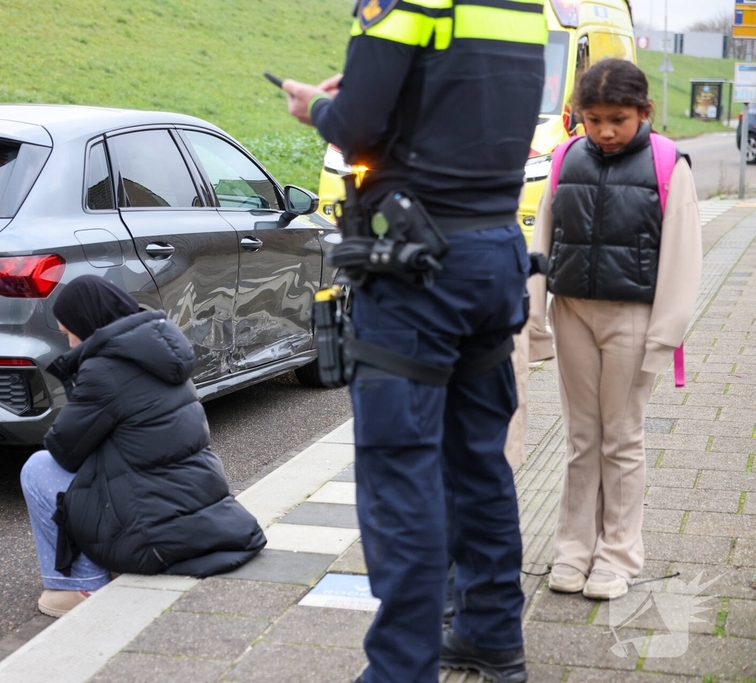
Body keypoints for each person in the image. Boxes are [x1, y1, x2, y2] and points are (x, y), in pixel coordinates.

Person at [281, 1, 546, 681]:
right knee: (481, 464)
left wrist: (314, 107)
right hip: (493, 254)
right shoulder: (521, 5)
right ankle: (490, 634)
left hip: (417, 268)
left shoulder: (403, 5)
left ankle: (400, 668)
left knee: (402, 474)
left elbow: (359, 131)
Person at [527, 59, 701, 600]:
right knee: (583, 439)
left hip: (635, 318)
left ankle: (618, 556)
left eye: (618, 119)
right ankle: (573, 552)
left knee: (621, 438)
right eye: (593, 118)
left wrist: (664, 338)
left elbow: (683, 257)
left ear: (643, 112)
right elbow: (542, 242)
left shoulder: (669, 164)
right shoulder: (564, 158)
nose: (604, 130)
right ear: (578, 115)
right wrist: (535, 318)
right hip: (572, 311)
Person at [20, 275, 266, 617]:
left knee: (38, 467)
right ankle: (107, 566)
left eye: (69, 333)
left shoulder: (105, 369)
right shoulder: (161, 354)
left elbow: (63, 448)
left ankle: (82, 586)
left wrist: (75, 377)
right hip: (204, 515)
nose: (71, 344)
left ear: (85, 325)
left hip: (154, 535)